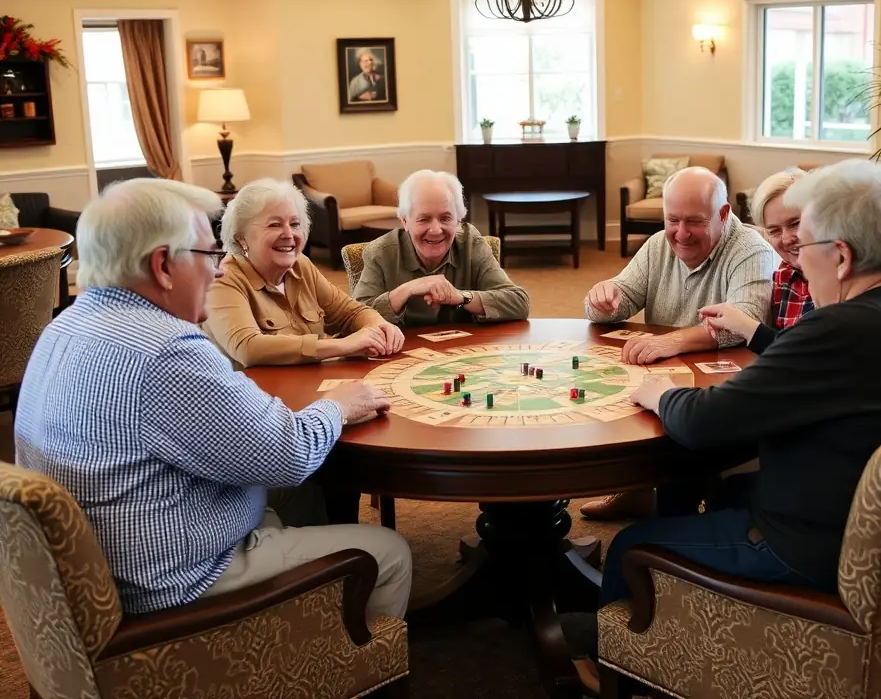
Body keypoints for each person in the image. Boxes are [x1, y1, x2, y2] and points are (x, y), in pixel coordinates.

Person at [566, 158, 881, 694]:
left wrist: (659, 392)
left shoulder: (840, 328)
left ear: (841, 256)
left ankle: (613, 663)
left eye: (804, 247)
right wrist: (760, 336)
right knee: (721, 489)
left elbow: (704, 423)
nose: (792, 262)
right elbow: (813, 370)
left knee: (632, 545)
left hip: (821, 552)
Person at [14, 178, 413, 619]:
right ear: (164, 265)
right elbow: (290, 453)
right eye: (209, 255)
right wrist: (339, 404)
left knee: (304, 493)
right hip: (173, 578)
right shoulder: (168, 349)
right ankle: (338, 661)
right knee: (389, 552)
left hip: (112, 557)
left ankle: (311, 605)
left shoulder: (64, 326)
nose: (221, 269)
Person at [579, 166, 777, 521]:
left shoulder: (751, 250)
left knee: (681, 429)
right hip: (667, 370)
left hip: (726, 380)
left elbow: (744, 322)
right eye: (673, 220)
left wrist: (673, 342)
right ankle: (638, 490)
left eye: (694, 222)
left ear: (724, 214)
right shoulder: (658, 245)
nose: (681, 234)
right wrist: (601, 300)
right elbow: (620, 298)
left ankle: (671, 520)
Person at [203, 178, 405, 368]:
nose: (289, 234)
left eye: (295, 224)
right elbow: (248, 348)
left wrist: (378, 326)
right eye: (274, 225)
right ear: (241, 239)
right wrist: (343, 346)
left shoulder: (301, 266)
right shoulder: (222, 279)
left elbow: (350, 313)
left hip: (306, 387)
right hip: (251, 397)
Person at [353, 169, 530, 326]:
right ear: (405, 221)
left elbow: (518, 302)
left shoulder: (471, 243)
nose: (436, 230)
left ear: (458, 220)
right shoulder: (380, 252)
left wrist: (461, 297)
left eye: (446, 218)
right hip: (400, 355)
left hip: (464, 355)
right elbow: (354, 319)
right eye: (424, 219)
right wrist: (408, 289)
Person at [698, 168, 815, 354]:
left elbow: (815, 356)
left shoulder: (845, 279)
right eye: (774, 230)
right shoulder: (784, 274)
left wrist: (747, 326)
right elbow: (782, 351)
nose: (786, 239)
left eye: (795, 223)